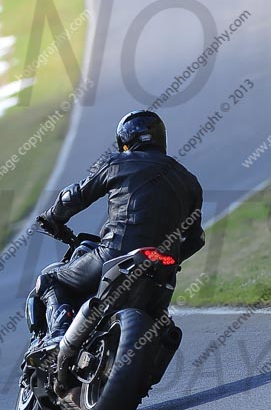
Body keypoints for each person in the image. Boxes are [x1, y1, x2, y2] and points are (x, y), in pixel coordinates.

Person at [33, 110, 204, 349]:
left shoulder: (117, 162)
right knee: (164, 324)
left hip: (114, 252)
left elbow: (75, 196)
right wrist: (171, 259)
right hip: (163, 269)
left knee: (49, 279)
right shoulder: (189, 180)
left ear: (126, 143)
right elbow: (196, 239)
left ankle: (58, 333)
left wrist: (53, 218)